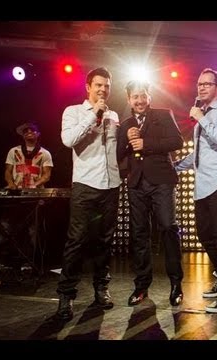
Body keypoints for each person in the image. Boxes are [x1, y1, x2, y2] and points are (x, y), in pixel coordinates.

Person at [55, 67, 121, 321]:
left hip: (111, 185)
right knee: (77, 240)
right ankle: (66, 295)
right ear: (88, 86)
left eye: (106, 85)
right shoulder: (73, 112)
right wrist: (93, 114)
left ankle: (101, 289)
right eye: (98, 85)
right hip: (85, 184)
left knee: (104, 241)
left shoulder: (114, 115)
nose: (103, 90)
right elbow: (68, 140)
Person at [175, 68, 217, 313]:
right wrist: (176, 167)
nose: (201, 88)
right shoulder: (202, 115)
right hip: (202, 185)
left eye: (207, 84)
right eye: (199, 84)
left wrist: (201, 118)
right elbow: (199, 153)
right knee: (205, 234)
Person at [117, 80, 184, 307]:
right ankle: (141, 286)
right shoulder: (125, 124)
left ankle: (176, 284)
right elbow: (118, 154)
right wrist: (127, 140)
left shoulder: (164, 115)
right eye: (135, 97)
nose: (139, 100)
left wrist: (146, 143)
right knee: (139, 234)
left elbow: (177, 141)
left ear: (149, 96)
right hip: (136, 184)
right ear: (129, 99)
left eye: (143, 95)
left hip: (162, 181)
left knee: (167, 227)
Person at [0, 122, 53, 279]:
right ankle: (3, 263)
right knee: (6, 229)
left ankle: (31, 264)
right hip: (16, 196)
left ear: (38, 134)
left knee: (33, 232)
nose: (29, 133)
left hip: (34, 198)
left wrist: (36, 185)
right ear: (22, 135)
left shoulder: (44, 153)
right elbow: (8, 170)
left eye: (32, 130)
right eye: (25, 131)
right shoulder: (14, 151)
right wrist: (11, 184)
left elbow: (47, 174)